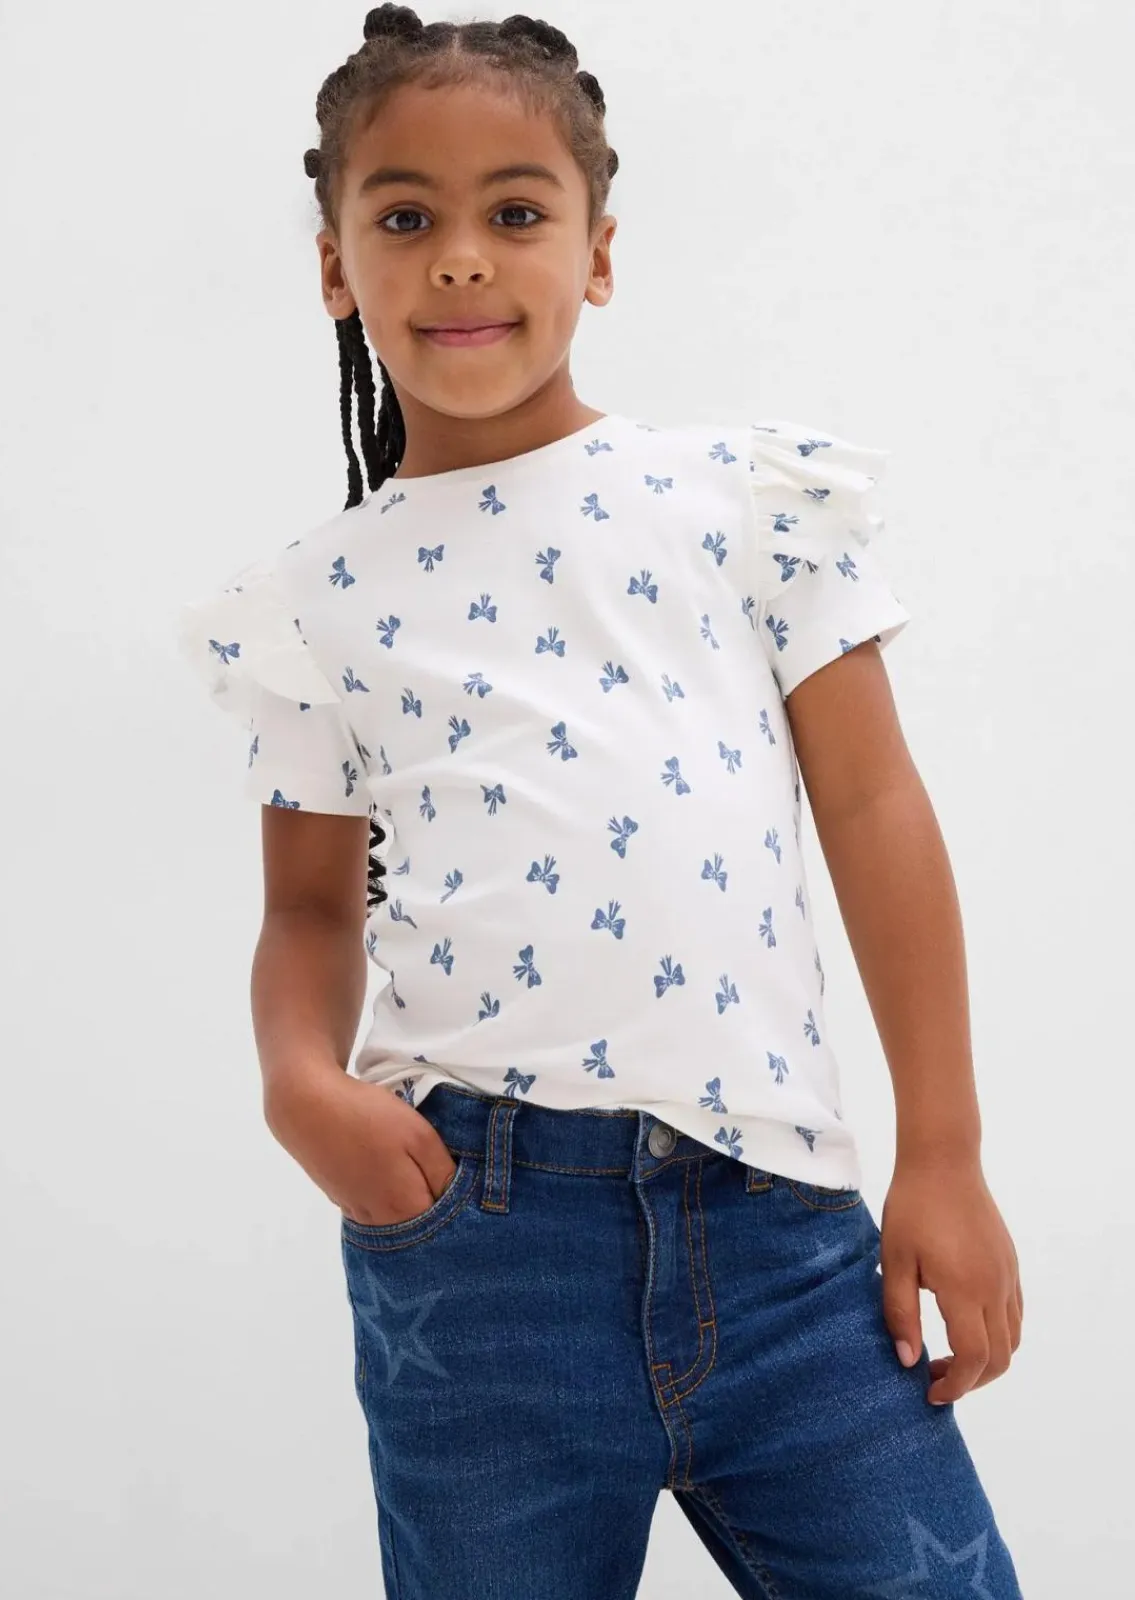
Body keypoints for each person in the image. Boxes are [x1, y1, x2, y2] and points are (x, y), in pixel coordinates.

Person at [175, 7, 1025, 1596]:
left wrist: (945, 1153)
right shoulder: (312, 608)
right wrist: (298, 1081)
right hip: (475, 1255)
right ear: (334, 266)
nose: (460, 258)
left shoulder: (741, 507)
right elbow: (307, 908)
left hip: (783, 1236)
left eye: (515, 211)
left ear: (600, 250)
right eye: (404, 218)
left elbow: (873, 806)